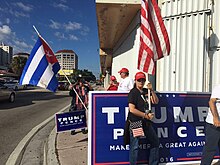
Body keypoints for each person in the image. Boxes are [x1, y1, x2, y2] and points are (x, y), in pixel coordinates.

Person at [127, 71, 159, 165]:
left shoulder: (146, 91)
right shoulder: (133, 92)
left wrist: (152, 90)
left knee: (155, 142)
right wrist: (145, 115)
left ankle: (153, 163)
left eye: (143, 80)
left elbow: (156, 101)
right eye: (139, 80)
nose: (141, 82)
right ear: (135, 81)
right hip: (136, 122)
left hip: (146, 122)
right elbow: (132, 109)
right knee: (135, 146)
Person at [201, 84, 220, 165]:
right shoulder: (218, 87)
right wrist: (216, 118)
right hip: (214, 123)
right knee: (210, 149)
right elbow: (211, 102)